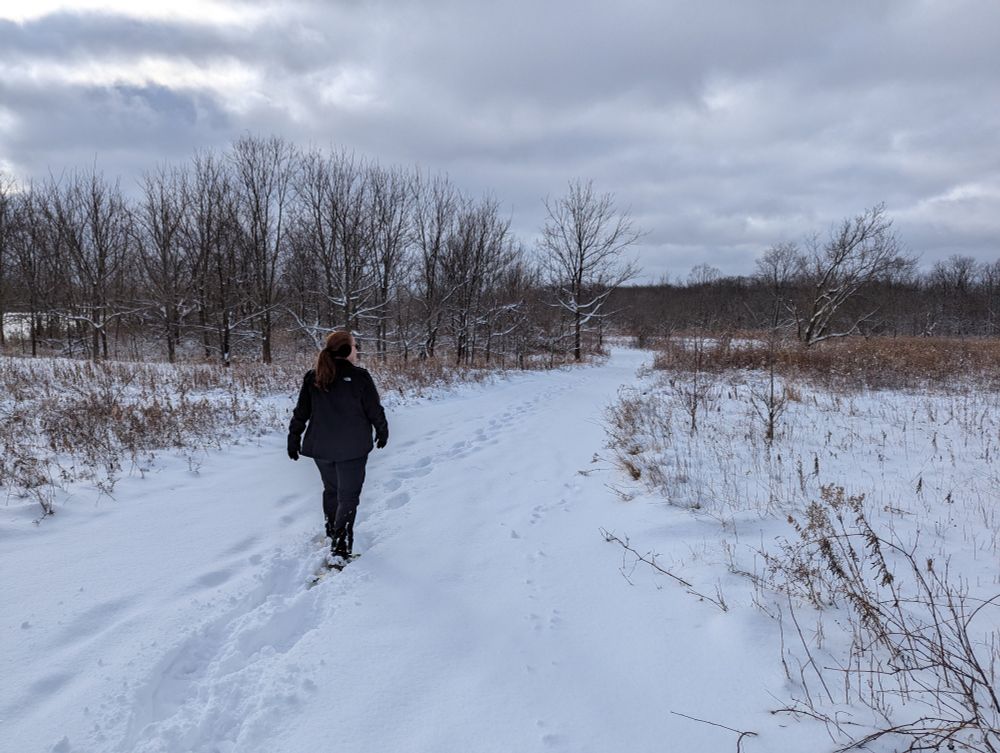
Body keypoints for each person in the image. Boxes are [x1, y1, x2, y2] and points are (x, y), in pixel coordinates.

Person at [287, 330, 389, 562]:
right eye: (355, 346)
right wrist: (382, 431)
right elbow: (374, 410)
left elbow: (301, 413)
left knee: (332, 490)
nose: (357, 350)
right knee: (349, 496)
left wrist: (293, 437)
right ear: (346, 350)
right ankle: (341, 548)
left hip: (322, 448)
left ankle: (333, 532)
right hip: (352, 449)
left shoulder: (314, 376)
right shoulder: (359, 377)